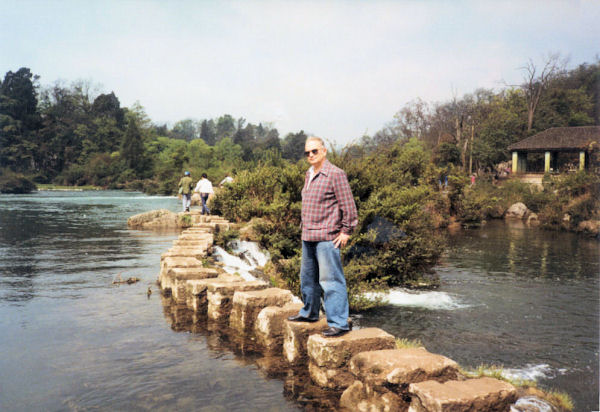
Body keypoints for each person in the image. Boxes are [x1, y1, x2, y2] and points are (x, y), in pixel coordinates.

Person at [287, 136, 358, 338]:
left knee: (331, 281)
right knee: (308, 279)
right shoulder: (309, 174)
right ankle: (309, 313)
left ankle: (339, 323)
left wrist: (346, 232)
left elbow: (349, 206)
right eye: (307, 152)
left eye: (314, 151)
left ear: (324, 151)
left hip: (328, 236)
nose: (310, 155)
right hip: (308, 235)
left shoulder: (336, 174)